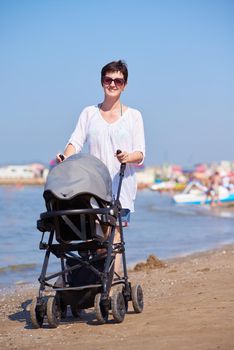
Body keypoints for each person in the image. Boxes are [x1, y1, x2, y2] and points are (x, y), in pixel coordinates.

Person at [56, 60, 145, 273]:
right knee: (96, 240)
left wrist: (126, 156)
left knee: (113, 237)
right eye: (108, 79)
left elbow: (140, 153)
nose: (112, 84)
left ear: (124, 85)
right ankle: (97, 283)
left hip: (120, 186)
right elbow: (75, 142)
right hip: (93, 187)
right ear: (101, 82)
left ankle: (110, 290)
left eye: (118, 80)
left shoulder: (134, 116)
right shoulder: (89, 113)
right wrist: (65, 157)